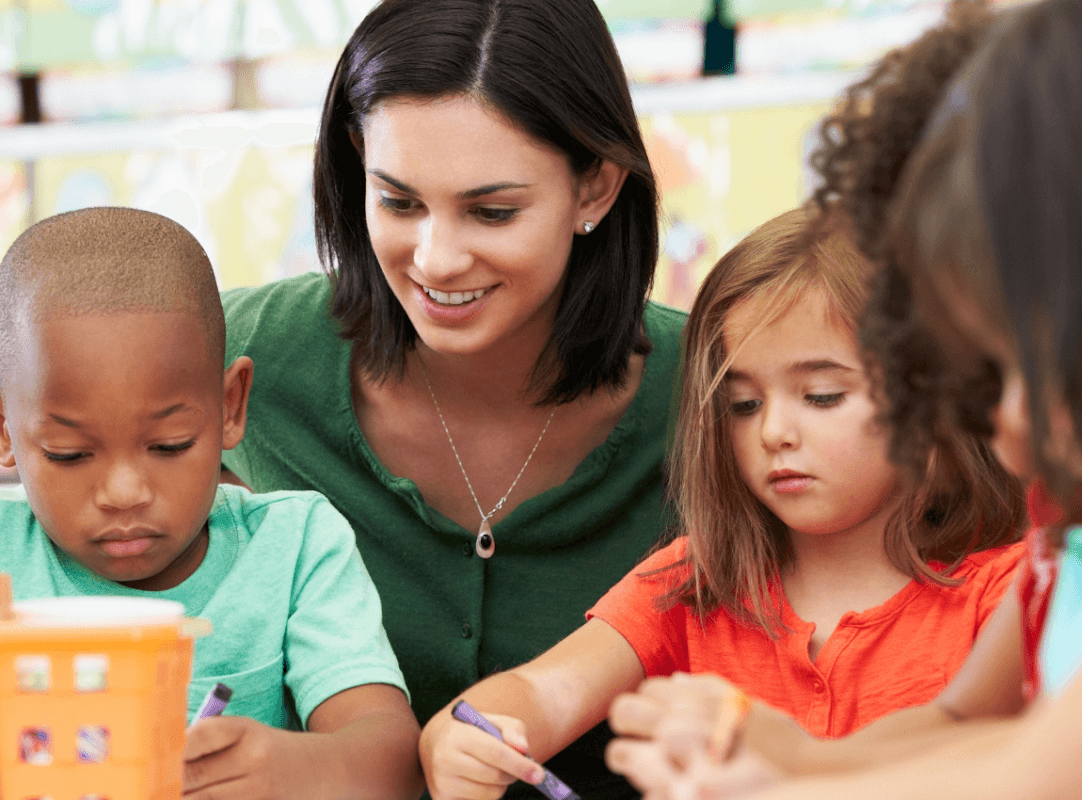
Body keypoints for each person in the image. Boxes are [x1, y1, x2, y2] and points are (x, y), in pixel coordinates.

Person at [607, 1, 1082, 797]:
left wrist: (780, 788)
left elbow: (1042, 768)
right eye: (977, 376)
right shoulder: (1059, 541)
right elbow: (962, 724)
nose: (1005, 424)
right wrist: (788, 753)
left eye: (1033, 371)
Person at [219, 1, 685, 797]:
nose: (435, 258)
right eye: (398, 202)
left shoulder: (721, 386)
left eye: (492, 211)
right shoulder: (244, 354)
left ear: (596, 188)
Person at [418, 205, 1025, 800]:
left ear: (932, 401)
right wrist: (460, 737)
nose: (773, 433)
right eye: (743, 404)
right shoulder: (695, 580)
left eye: (820, 396)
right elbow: (543, 693)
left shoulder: (1011, 595)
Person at [0, 207, 423, 800]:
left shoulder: (295, 548)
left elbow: (397, 763)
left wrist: (292, 769)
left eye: (169, 445)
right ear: (5, 432)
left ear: (230, 406)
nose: (125, 492)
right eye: (70, 454)